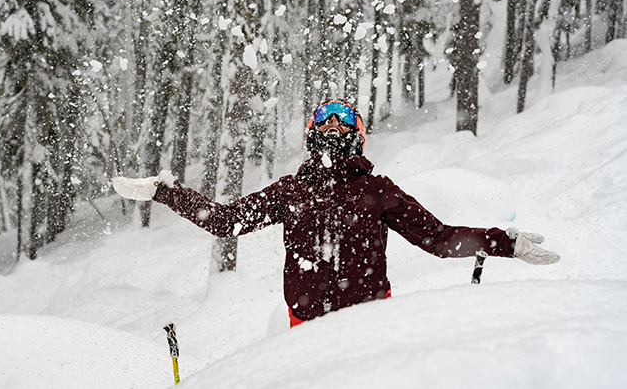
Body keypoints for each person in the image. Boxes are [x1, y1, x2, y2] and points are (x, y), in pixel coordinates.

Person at [112, 100, 560, 327]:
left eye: (342, 122)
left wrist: (506, 243)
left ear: (357, 136)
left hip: (371, 327)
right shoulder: (292, 191)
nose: (332, 129)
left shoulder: (377, 191)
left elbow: (439, 240)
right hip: (303, 329)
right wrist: (162, 191)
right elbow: (225, 221)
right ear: (311, 135)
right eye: (324, 122)